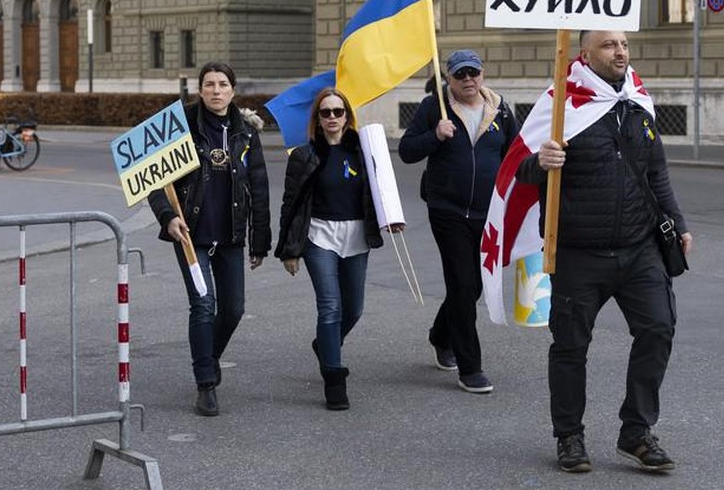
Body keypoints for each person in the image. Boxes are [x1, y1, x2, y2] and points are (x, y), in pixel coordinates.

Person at [518, 30, 692, 474]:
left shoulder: (637, 100)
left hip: (640, 248)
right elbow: (519, 170)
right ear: (585, 53)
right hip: (578, 253)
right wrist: (542, 162)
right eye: (609, 46)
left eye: (624, 45)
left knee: (658, 330)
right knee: (571, 346)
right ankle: (569, 437)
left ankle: (636, 431)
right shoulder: (560, 104)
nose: (620, 53)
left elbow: (657, 172)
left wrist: (678, 222)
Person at [148, 62, 271, 417]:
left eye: (222, 84)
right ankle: (205, 383)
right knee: (203, 305)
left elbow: (259, 187)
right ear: (200, 90)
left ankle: (209, 358)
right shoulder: (181, 125)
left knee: (233, 309)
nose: (216, 91)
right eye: (209, 85)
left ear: (233, 90)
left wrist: (259, 240)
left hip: (230, 235)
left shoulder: (246, 132)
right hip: (191, 235)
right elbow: (154, 178)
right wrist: (168, 217)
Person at [398, 49, 517, 394]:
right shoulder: (434, 107)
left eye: (473, 73)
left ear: (483, 75)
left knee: (473, 285)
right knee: (463, 284)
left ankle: (440, 334)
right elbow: (407, 151)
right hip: (447, 210)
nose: (468, 80)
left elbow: (514, 154)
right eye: (460, 75)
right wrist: (435, 135)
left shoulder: (501, 109)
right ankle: (470, 368)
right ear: (449, 78)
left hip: (489, 213)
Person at [275, 87, 383, 411]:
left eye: (339, 112)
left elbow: (378, 194)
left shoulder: (363, 151)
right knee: (331, 307)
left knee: (354, 309)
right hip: (319, 236)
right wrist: (288, 250)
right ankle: (334, 381)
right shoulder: (304, 156)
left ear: (348, 116)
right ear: (317, 120)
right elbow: (290, 204)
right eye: (326, 112)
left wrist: (391, 219)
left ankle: (324, 343)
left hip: (356, 236)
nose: (333, 117)